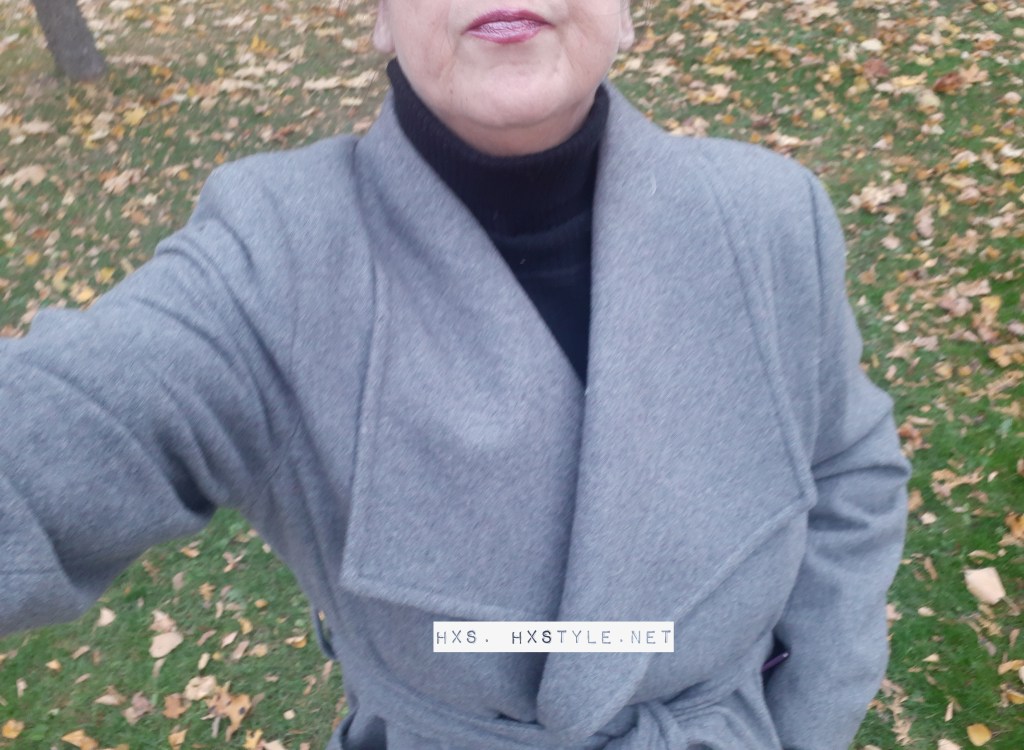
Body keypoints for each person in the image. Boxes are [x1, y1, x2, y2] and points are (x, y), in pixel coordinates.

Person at [0, 1, 910, 748]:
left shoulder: (772, 217)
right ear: (379, 18)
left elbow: (847, 467)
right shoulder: (271, 262)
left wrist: (809, 717)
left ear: (628, 14)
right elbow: (54, 437)